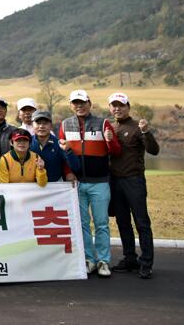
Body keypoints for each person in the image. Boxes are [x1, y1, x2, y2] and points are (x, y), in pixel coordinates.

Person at [59, 89, 121, 278]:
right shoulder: (65, 125)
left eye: (82, 102)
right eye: (75, 103)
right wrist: (68, 173)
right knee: (82, 224)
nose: (79, 106)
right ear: (71, 105)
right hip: (77, 184)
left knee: (101, 223)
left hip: (100, 183)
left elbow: (116, 152)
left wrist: (109, 141)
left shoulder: (103, 123)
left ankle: (103, 260)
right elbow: (63, 154)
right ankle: (89, 259)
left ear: (89, 103)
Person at [108, 92, 160, 279]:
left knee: (141, 222)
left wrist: (146, 132)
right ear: (110, 108)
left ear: (128, 107)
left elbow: (154, 150)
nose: (117, 108)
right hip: (115, 181)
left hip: (134, 180)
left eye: (121, 105)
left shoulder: (137, 127)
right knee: (122, 222)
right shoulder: (110, 127)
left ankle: (146, 262)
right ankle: (130, 258)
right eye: (114, 105)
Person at [29, 110, 79, 182]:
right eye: (38, 123)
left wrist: (68, 150)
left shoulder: (59, 144)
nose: (41, 126)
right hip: (32, 185)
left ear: (51, 125)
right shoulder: (27, 143)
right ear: (32, 125)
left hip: (55, 185)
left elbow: (76, 166)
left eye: (45, 123)